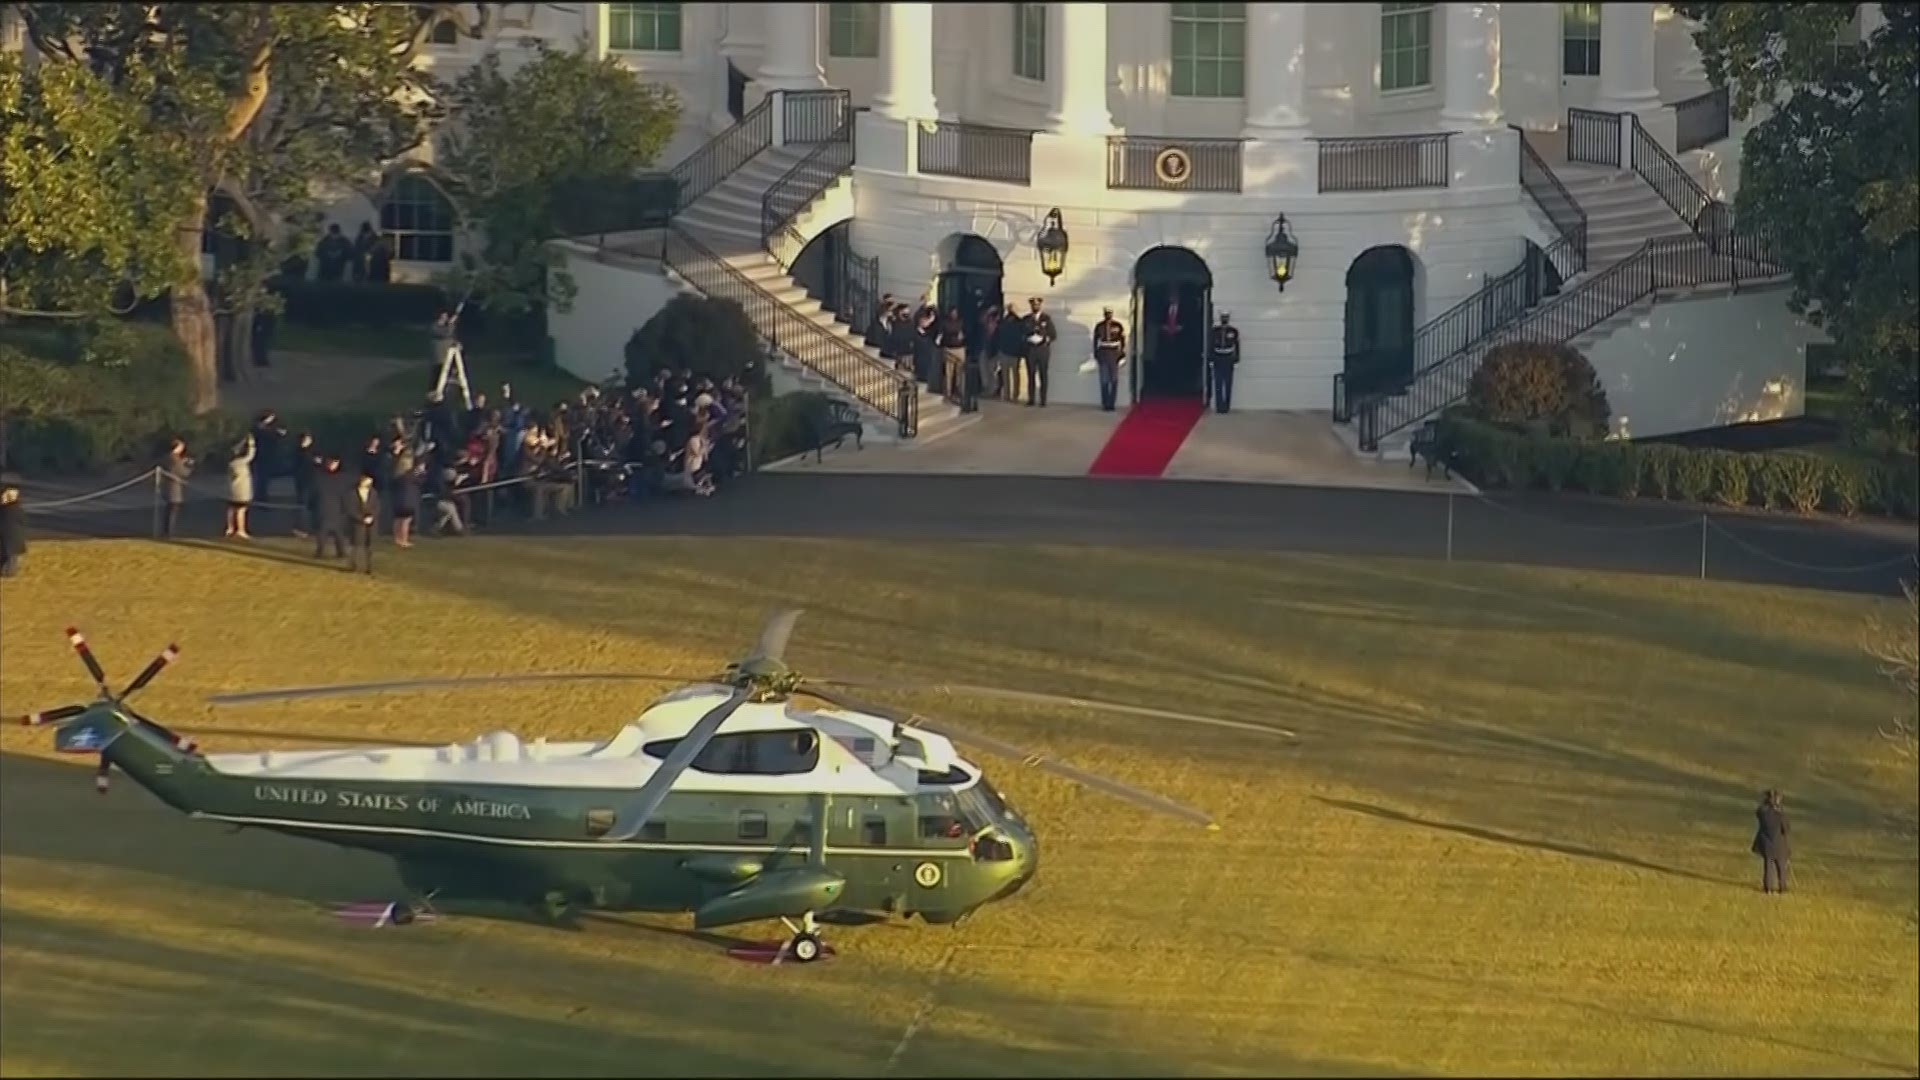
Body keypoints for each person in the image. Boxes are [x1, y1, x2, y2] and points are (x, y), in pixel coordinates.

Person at [311, 454, 351, 561]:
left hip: (338, 510)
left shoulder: (342, 478)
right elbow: (313, 493)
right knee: (322, 533)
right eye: (330, 462)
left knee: (339, 534)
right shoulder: (319, 477)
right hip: (323, 509)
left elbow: (347, 495)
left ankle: (341, 552)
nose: (332, 465)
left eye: (335, 463)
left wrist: (345, 508)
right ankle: (320, 552)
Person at [1753, 789, 1792, 894]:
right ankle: (1782, 887)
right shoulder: (1780, 815)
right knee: (1781, 867)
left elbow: (1758, 812)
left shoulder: (1763, 813)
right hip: (1780, 845)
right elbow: (1786, 829)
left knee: (1768, 867)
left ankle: (1768, 887)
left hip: (1767, 844)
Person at [1023, 296, 1056, 408]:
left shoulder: (1046, 318)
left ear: (1040, 306)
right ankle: (1031, 399)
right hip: (1031, 350)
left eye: (1037, 305)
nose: (1035, 306)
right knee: (1031, 375)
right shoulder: (1026, 319)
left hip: (1042, 351)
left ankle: (1043, 400)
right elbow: (1021, 334)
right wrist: (1027, 338)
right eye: (1033, 305)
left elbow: (1053, 334)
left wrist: (1045, 338)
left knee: (1043, 375)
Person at [1092, 306, 1126, 412]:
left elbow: (1122, 340)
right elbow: (1095, 340)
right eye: (1106, 313)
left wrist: (1121, 353)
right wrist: (1096, 353)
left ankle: (1112, 403)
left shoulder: (1118, 325)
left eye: (1110, 313)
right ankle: (1105, 403)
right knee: (1104, 380)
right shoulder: (1099, 326)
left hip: (1114, 352)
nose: (1108, 315)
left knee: (1114, 380)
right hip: (1103, 351)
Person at [345, 471, 379, 575]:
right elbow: (350, 509)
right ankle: (353, 566)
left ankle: (369, 567)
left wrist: (371, 517)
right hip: (357, 524)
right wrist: (361, 519)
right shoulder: (352, 493)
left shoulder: (373, 493)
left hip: (371, 524)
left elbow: (377, 507)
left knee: (370, 546)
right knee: (356, 545)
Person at [160, 439, 194, 539]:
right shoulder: (175, 459)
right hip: (173, 487)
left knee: (169, 510)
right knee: (173, 510)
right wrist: (189, 466)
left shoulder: (167, 457)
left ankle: (167, 531)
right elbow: (183, 472)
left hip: (167, 486)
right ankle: (169, 533)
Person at [224, 434, 256, 540]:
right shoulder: (240, 462)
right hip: (241, 490)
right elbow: (250, 456)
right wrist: (251, 444)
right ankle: (240, 530)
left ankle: (230, 528)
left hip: (232, 490)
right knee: (241, 510)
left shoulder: (231, 463)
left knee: (231, 509)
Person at [1209, 310, 1241, 414]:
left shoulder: (1233, 331)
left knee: (1228, 383)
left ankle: (1226, 406)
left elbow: (1237, 346)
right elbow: (1211, 346)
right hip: (1218, 357)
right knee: (1218, 383)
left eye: (1226, 317)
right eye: (1223, 317)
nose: (1224, 319)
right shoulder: (1215, 330)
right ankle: (1219, 407)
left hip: (1228, 358)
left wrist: (1236, 360)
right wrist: (1211, 359)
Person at [0, 485, 26, 578]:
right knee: (9, 556)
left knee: (9, 557)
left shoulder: (9, 509)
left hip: (10, 537)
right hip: (12, 537)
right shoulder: (16, 508)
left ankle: (8, 574)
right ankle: (8, 573)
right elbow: (22, 521)